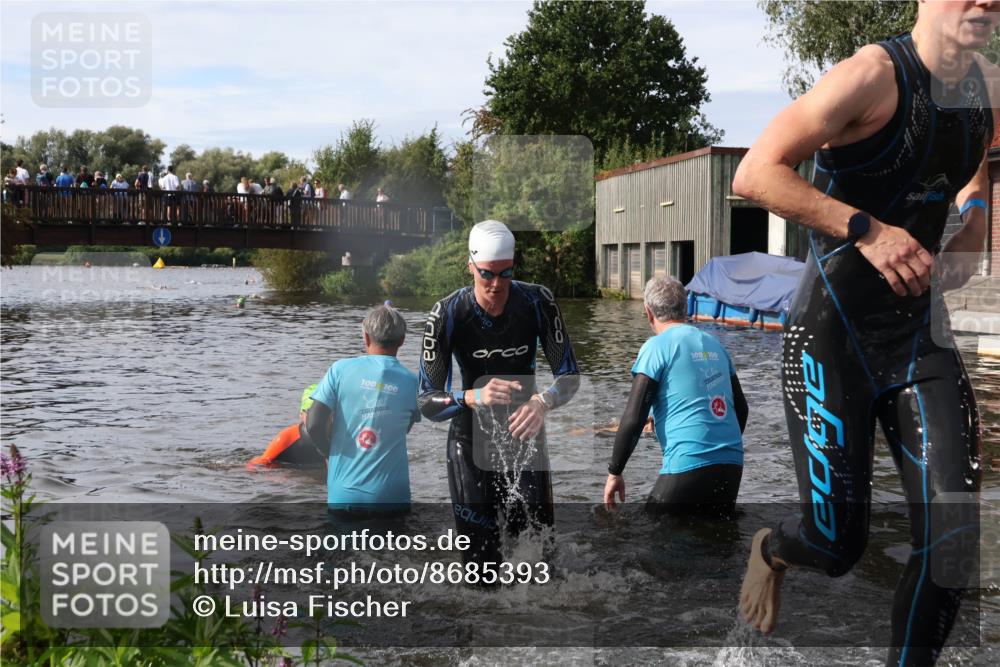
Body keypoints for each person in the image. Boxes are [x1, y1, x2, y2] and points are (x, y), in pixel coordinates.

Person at [732, 3, 995, 664]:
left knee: (954, 543)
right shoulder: (872, 76)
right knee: (835, 546)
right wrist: (868, 231)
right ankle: (772, 548)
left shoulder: (986, 86)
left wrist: (976, 218)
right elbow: (756, 171)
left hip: (919, 338)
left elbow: (975, 156)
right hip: (831, 339)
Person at [418, 220, 580, 565]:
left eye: (505, 273)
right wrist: (473, 397)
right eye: (487, 274)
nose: (496, 284)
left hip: (525, 438)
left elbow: (569, 376)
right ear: (470, 267)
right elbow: (427, 400)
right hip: (469, 442)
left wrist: (543, 402)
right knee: (481, 565)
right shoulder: (448, 312)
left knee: (539, 560)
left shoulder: (537, 301)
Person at [604, 277, 747, 516]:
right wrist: (718, 451)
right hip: (732, 467)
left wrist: (614, 472)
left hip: (687, 465)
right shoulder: (715, 344)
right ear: (686, 307)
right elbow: (741, 409)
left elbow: (634, 418)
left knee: (651, 533)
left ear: (648, 312)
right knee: (715, 536)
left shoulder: (656, 346)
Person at [304, 304, 420, 514]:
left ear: (366, 337)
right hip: (393, 497)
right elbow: (404, 427)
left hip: (344, 496)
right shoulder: (413, 382)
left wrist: (328, 452)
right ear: (402, 340)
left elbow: (313, 423)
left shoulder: (339, 370)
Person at [249, 384, 325, 467]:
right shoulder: (288, 438)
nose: (318, 417)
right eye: (311, 412)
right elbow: (257, 465)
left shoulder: (335, 436)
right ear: (301, 414)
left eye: (324, 412)